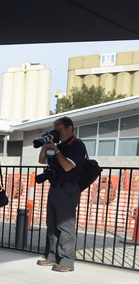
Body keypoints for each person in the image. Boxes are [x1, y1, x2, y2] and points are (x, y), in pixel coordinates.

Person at [37, 116, 86, 272]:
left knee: (65, 225)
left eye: (60, 130)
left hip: (68, 189)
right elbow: (41, 161)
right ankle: (52, 257)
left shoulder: (77, 145)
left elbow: (67, 167)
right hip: (55, 187)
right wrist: (45, 147)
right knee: (51, 224)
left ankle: (66, 261)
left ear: (70, 128)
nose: (58, 133)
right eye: (56, 130)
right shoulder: (60, 145)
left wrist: (56, 150)